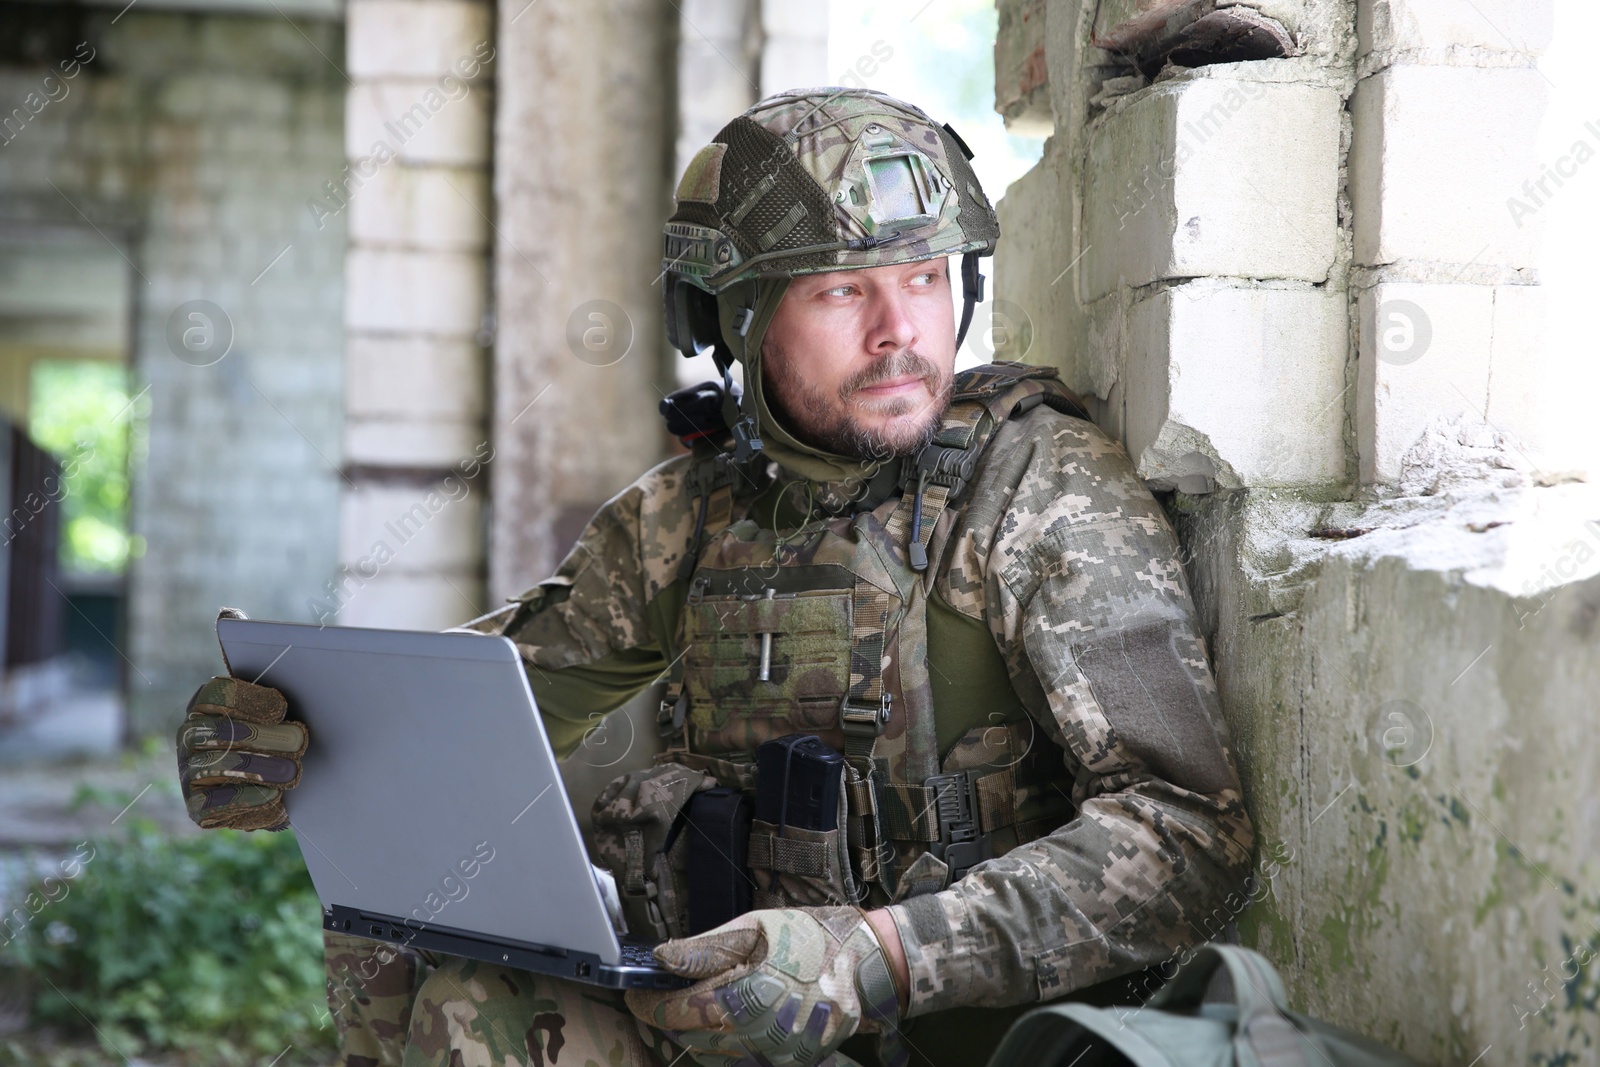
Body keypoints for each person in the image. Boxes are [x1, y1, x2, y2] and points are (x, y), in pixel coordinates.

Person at [176, 87, 1254, 1067]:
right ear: (728, 318)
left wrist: (875, 955)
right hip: (726, 1030)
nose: (900, 332)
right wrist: (294, 739)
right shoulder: (692, 514)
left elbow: (1188, 835)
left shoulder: (1038, 485)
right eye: (839, 291)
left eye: (926, 278)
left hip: (951, 1036)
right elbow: (472, 709)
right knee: (437, 970)